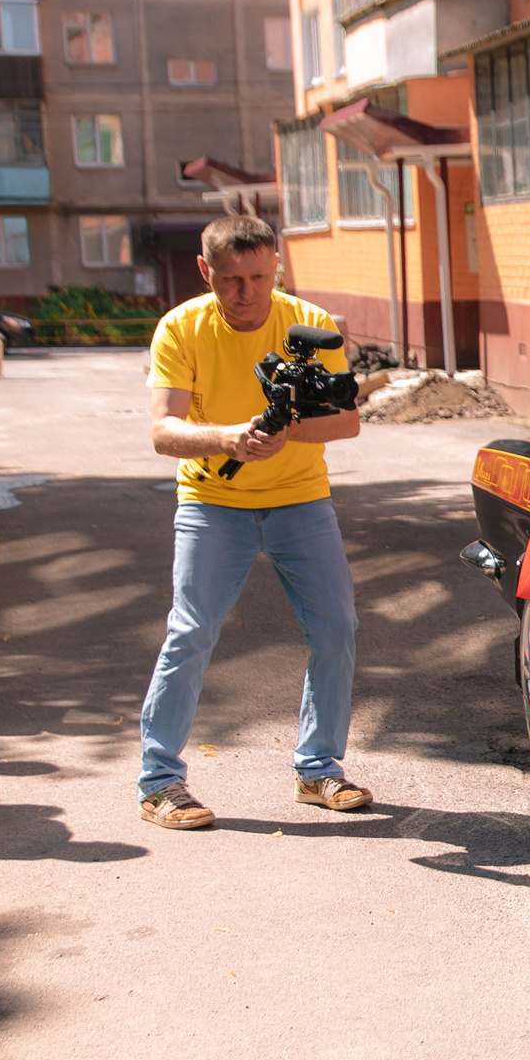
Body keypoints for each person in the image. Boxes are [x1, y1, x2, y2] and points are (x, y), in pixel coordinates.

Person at [137, 215, 367, 830]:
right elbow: (163, 431)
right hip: (212, 502)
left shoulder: (308, 325)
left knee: (336, 628)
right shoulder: (181, 328)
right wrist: (228, 438)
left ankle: (319, 770)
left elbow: (346, 422)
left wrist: (285, 430)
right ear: (205, 271)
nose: (248, 292)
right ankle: (159, 783)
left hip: (300, 498)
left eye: (260, 276)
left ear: (277, 267)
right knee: (191, 632)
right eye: (232, 279)